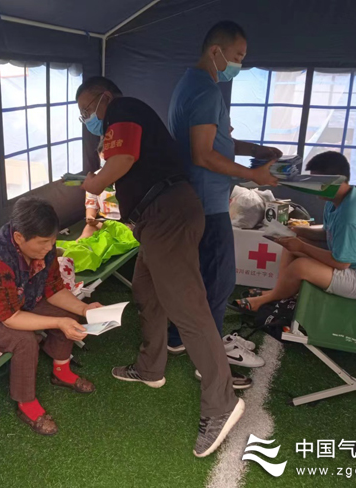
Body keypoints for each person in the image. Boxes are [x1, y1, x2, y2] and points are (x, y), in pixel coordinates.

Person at [76, 75, 245, 458]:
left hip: (165, 214)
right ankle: (150, 367)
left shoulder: (122, 108)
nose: (88, 118)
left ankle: (221, 403)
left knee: (188, 309)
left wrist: (95, 183)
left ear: (105, 97)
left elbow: (122, 161)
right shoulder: (126, 117)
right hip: (155, 220)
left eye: (88, 109)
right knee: (147, 293)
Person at [166, 21, 281, 366]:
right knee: (219, 279)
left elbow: (218, 141)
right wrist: (254, 175)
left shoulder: (191, 84)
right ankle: (211, 355)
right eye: (238, 57)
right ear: (216, 51)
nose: (239, 65)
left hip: (196, 196)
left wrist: (256, 149)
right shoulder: (205, 90)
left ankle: (178, 337)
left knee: (198, 276)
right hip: (207, 202)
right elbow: (203, 154)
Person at [0, 196, 99, 436]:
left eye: (52, 240)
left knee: (67, 314)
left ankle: (61, 372)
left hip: (19, 299)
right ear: (19, 237)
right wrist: (58, 322)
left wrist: (85, 309)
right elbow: (10, 318)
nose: (49, 247)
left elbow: (53, 289)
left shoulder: (44, 245)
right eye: (43, 242)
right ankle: (26, 404)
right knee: (24, 341)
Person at [236, 151, 356, 312]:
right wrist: (296, 231)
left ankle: (267, 299)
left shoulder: (351, 215)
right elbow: (327, 233)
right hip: (353, 264)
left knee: (301, 266)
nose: (312, 187)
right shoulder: (336, 201)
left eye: (317, 182)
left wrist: (301, 247)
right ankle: (278, 291)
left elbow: (341, 263)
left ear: (336, 180)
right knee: (292, 244)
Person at [79, 141, 122, 240]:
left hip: (124, 222)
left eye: (111, 155)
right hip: (103, 221)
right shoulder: (94, 178)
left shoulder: (127, 178)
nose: (106, 157)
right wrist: (90, 218)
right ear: (99, 154)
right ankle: (72, 248)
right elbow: (91, 204)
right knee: (87, 231)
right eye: (104, 153)